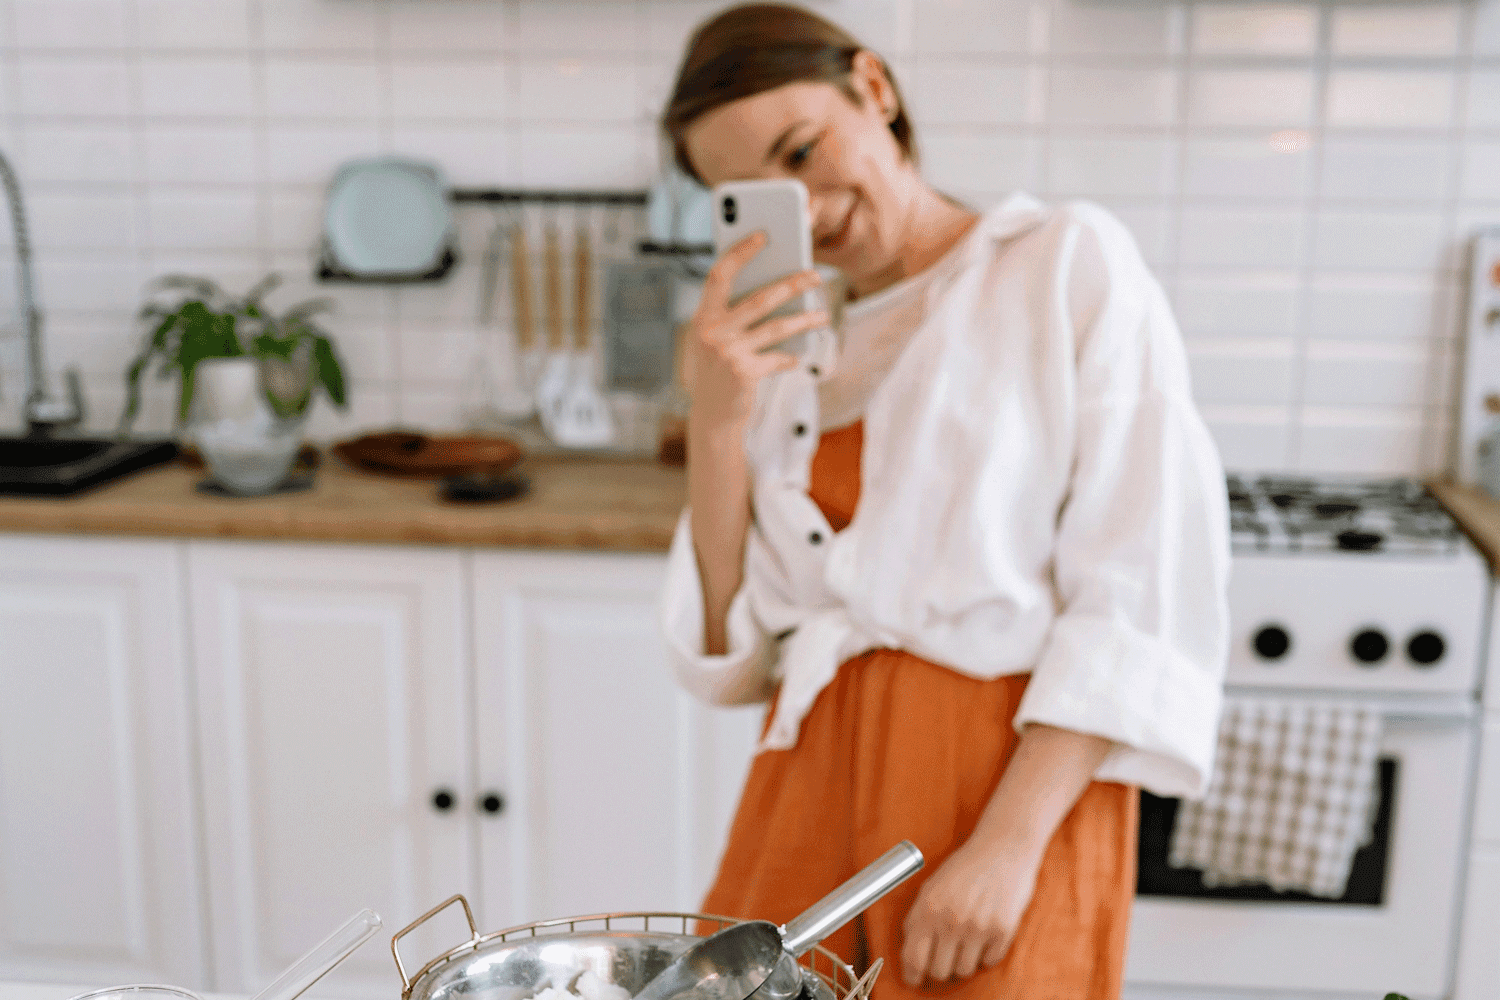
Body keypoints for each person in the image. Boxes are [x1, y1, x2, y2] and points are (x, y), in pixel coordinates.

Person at [656, 5, 1231, 998]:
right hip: (806, 779)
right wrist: (716, 420)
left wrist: (1005, 847)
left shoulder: (1062, 264)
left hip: (1002, 786)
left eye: (805, 150)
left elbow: (1137, 587)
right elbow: (732, 652)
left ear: (873, 89)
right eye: (755, 195)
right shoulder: (779, 354)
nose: (808, 204)